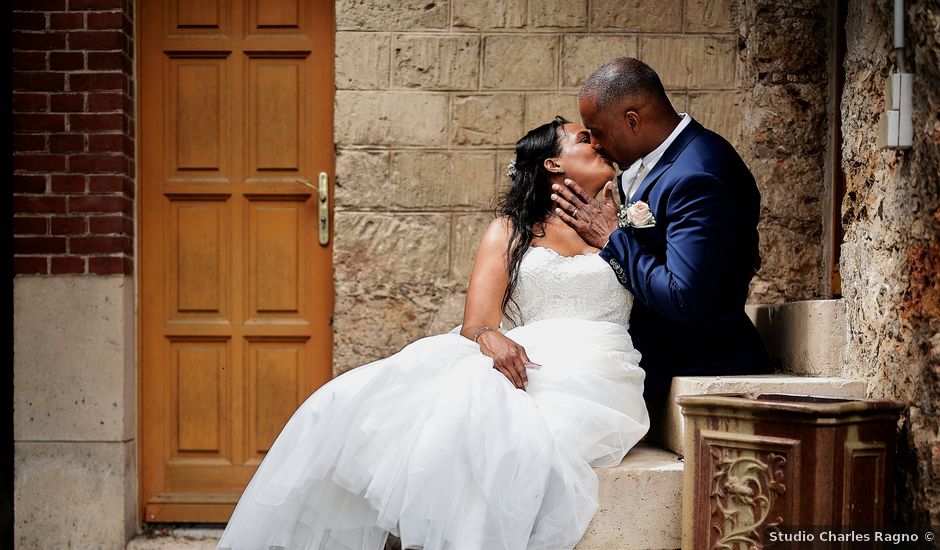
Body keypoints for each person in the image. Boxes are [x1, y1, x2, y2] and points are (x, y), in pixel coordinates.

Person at [217, 117, 649, 550]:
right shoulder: (510, 231)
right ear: (553, 164)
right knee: (394, 399)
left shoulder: (632, 225)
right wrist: (489, 336)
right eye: (583, 139)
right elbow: (477, 322)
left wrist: (617, 234)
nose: (598, 143)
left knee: (502, 431)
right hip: (527, 358)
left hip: (599, 371)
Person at [551, 57, 771, 403]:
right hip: (656, 356)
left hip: (697, 362)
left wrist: (614, 239)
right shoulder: (664, 162)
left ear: (632, 120)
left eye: (598, 131)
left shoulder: (697, 174)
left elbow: (684, 298)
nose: (593, 143)